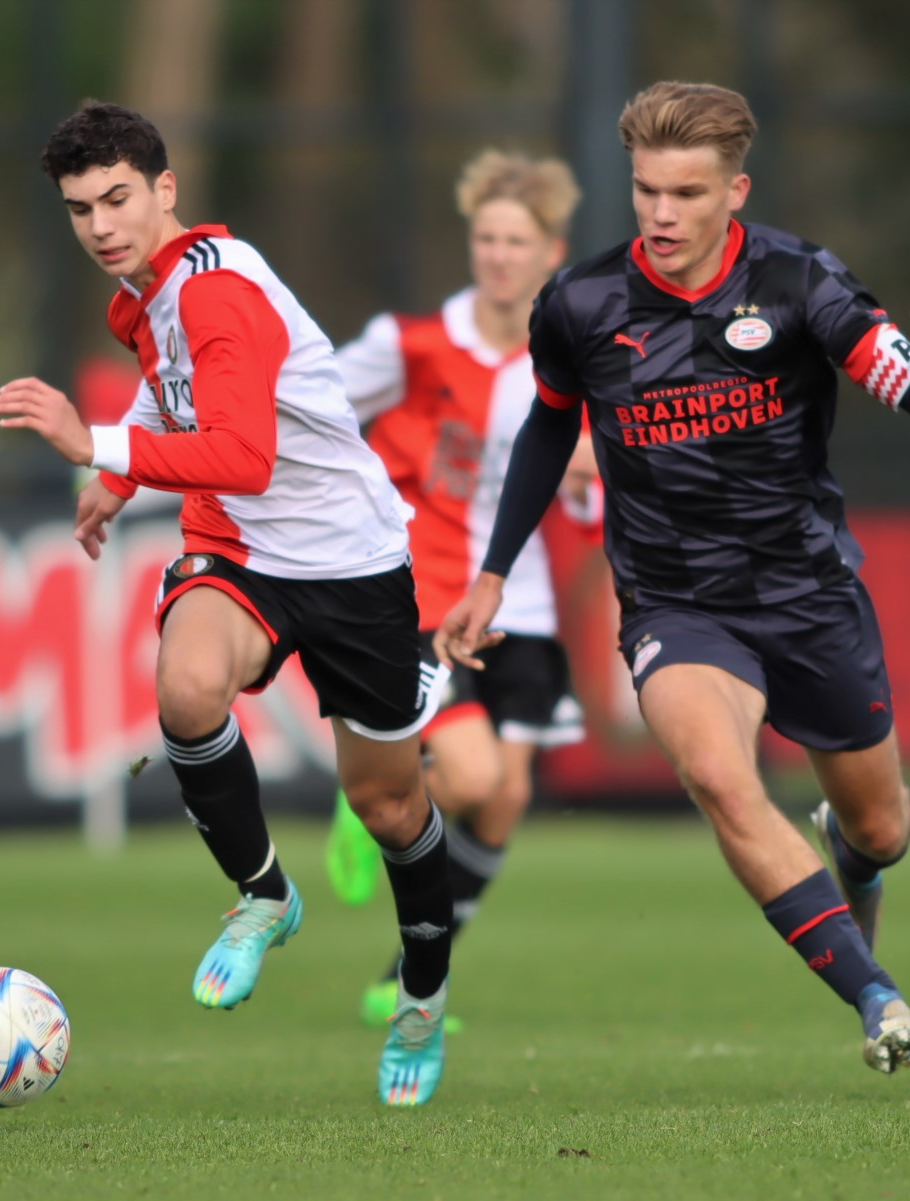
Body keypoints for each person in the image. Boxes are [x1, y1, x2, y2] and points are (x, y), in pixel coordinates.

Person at [438, 81, 910, 1074]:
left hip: (808, 592)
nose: (660, 214)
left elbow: (907, 387)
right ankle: (877, 998)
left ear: (734, 191)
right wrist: (492, 570)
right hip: (674, 602)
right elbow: (547, 427)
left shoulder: (800, 280)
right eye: (647, 190)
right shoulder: (579, 302)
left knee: (881, 825)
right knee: (719, 780)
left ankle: (851, 857)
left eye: (686, 193)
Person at [0, 101, 454, 1106]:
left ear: (166, 189)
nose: (101, 225)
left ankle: (423, 996)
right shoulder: (141, 296)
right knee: (188, 688)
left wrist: (92, 446)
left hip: (353, 560)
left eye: (118, 198)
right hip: (239, 548)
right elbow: (176, 398)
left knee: (387, 804)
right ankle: (264, 897)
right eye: (79, 209)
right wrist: (122, 470)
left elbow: (244, 452)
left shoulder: (215, 292)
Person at [327, 149, 595, 1030]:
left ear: (550, 251)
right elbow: (311, 400)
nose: (499, 256)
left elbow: (583, 483)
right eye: (486, 237)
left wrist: (598, 485)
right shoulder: (413, 346)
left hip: (522, 599)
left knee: (509, 795)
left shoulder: (570, 361)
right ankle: (373, 784)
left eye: (517, 240)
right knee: (473, 775)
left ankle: (402, 973)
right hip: (426, 591)